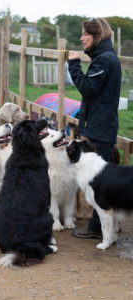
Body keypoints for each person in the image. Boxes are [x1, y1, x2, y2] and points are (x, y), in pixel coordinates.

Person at [68, 17, 121, 238]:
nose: (81, 38)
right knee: (101, 180)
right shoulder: (104, 58)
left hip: (100, 128)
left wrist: (74, 65)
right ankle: (105, 226)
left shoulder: (104, 60)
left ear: (96, 35)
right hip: (101, 126)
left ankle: (98, 229)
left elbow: (88, 88)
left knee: (100, 182)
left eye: (85, 34)